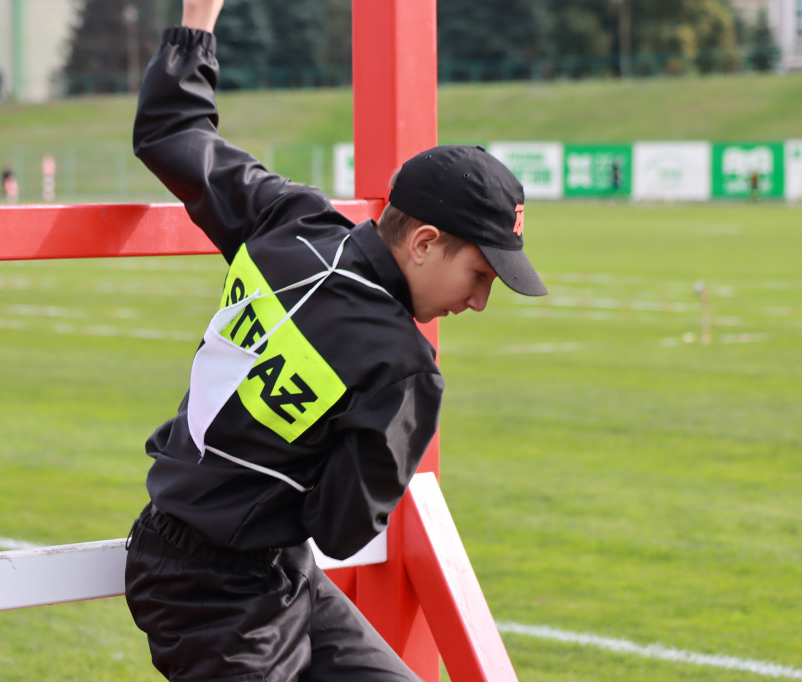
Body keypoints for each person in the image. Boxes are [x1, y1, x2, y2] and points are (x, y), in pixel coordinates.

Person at [123, 1, 547, 679]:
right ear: (425, 242)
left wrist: (197, 21)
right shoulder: (403, 368)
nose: (479, 300)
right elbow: (341, 527)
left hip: (220, 559)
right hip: (220, 599)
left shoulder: (288, 218)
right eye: (480, 273)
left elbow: (169, 131)